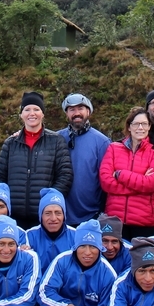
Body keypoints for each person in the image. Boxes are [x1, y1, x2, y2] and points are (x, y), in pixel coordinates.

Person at [0, 92, 73, 229]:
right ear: (21, 115)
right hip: (13, 217)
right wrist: (4, 204)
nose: (32, 113)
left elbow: (65, 175)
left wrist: (50, 202)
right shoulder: (11, 143)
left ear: (43, 114)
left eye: (36, 109)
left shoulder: (56, 141)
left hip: (45, 217)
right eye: (27, 109)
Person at [99, 107, 154, 240]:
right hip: (115, 220)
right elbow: (106, 182)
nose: (140, 127)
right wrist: (140, 185)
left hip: (145, 222)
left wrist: (120, 175)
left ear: (149, 127)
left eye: (144, 124)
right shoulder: (113, 149)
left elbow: (153, 183)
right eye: (136, 124)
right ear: (129, 127)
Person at [57, 94, 111, 225]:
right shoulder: (56, 139)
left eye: (80, 108)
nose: (76, 113)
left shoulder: (102, 142)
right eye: (72, 109)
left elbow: (106, 181)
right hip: (59, 217)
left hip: (91, 216)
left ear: (88, 111)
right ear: (66, 114)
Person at [25, 187, 76, 274]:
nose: (53, 218)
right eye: (48, 213)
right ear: (41, 216)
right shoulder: (29, 236)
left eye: (58, 213)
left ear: (64, 215)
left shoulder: (76, 235)